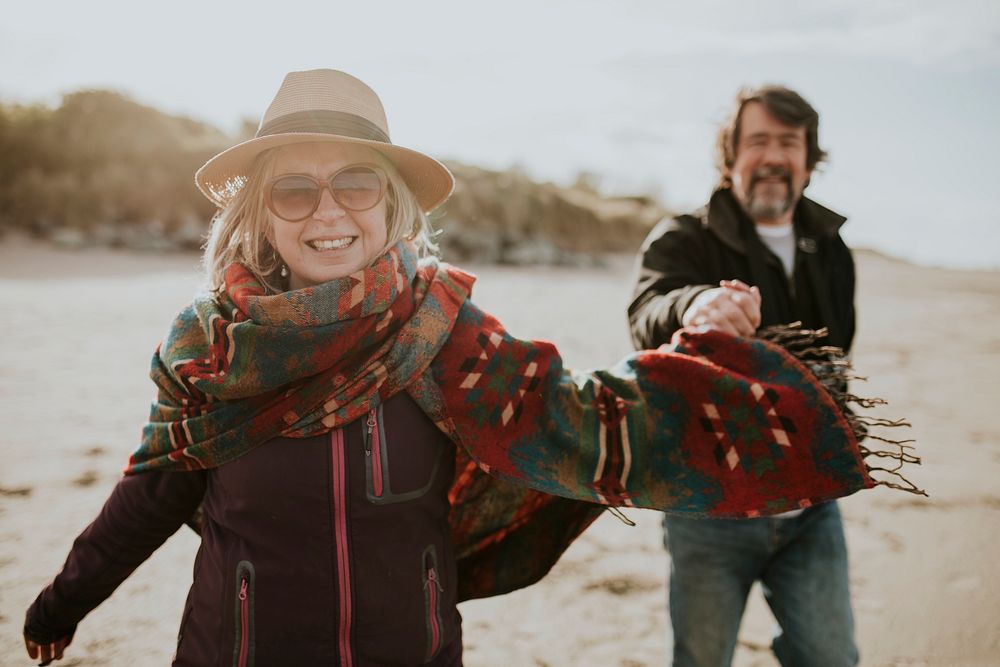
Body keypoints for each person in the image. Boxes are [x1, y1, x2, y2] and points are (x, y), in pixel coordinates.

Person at [24, 71, 876, 666]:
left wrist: (706, 370)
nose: (328, 211)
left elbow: (575, 417)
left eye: (356, 184)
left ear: (390, 203)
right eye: (294, 191)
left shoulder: (443, 333)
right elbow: (151, 488)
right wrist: (66, 597)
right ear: (260, 214)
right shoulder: (210, 351)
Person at [628, 85, 859, 667]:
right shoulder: (686, 237)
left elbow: (837, 360)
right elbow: (649, 311)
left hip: (810, 504)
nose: (774, 155)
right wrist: (696, 307)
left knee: (832, 657)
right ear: (730, 156)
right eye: (758, 141)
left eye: (789, 142)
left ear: (809, 159)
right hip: (710, 507)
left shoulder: (831, 248)